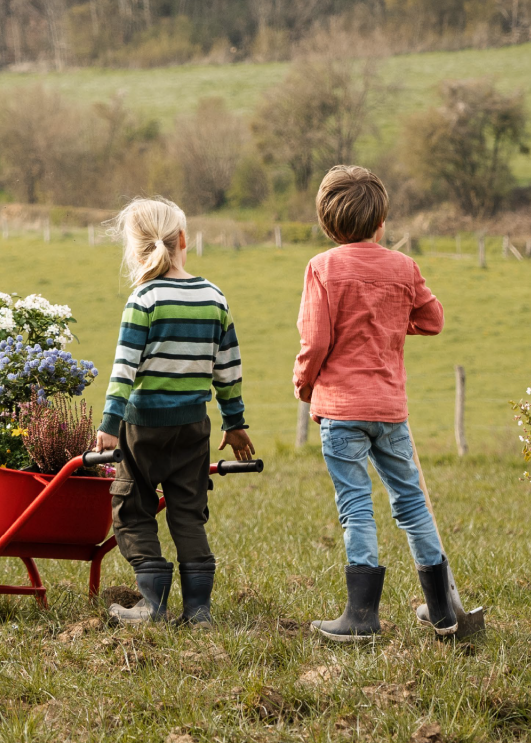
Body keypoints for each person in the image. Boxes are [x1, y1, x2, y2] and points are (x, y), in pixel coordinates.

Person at [293, 165, 469, 641]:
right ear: (381, 221)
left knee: (356, 506)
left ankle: (362, 618)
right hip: (390, 410)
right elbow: (432, 320)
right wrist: (389, 323)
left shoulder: (322, 268)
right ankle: (443, 612)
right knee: (411, 502)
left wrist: (304, 383)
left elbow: (316, 339)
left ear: (328, 224)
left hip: (341, 409)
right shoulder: (403, 267)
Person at [94, 196, 254, 625]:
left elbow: (124, 369)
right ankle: (198, 610)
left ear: (135, 248)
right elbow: (228, 370)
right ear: (185, 239)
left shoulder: (143, 300)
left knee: (131, 510)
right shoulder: (213, 297)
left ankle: (153, 603)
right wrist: (235, 424)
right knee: (188, 513)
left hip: (143, 429)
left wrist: (110, 425)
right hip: (193, 429)